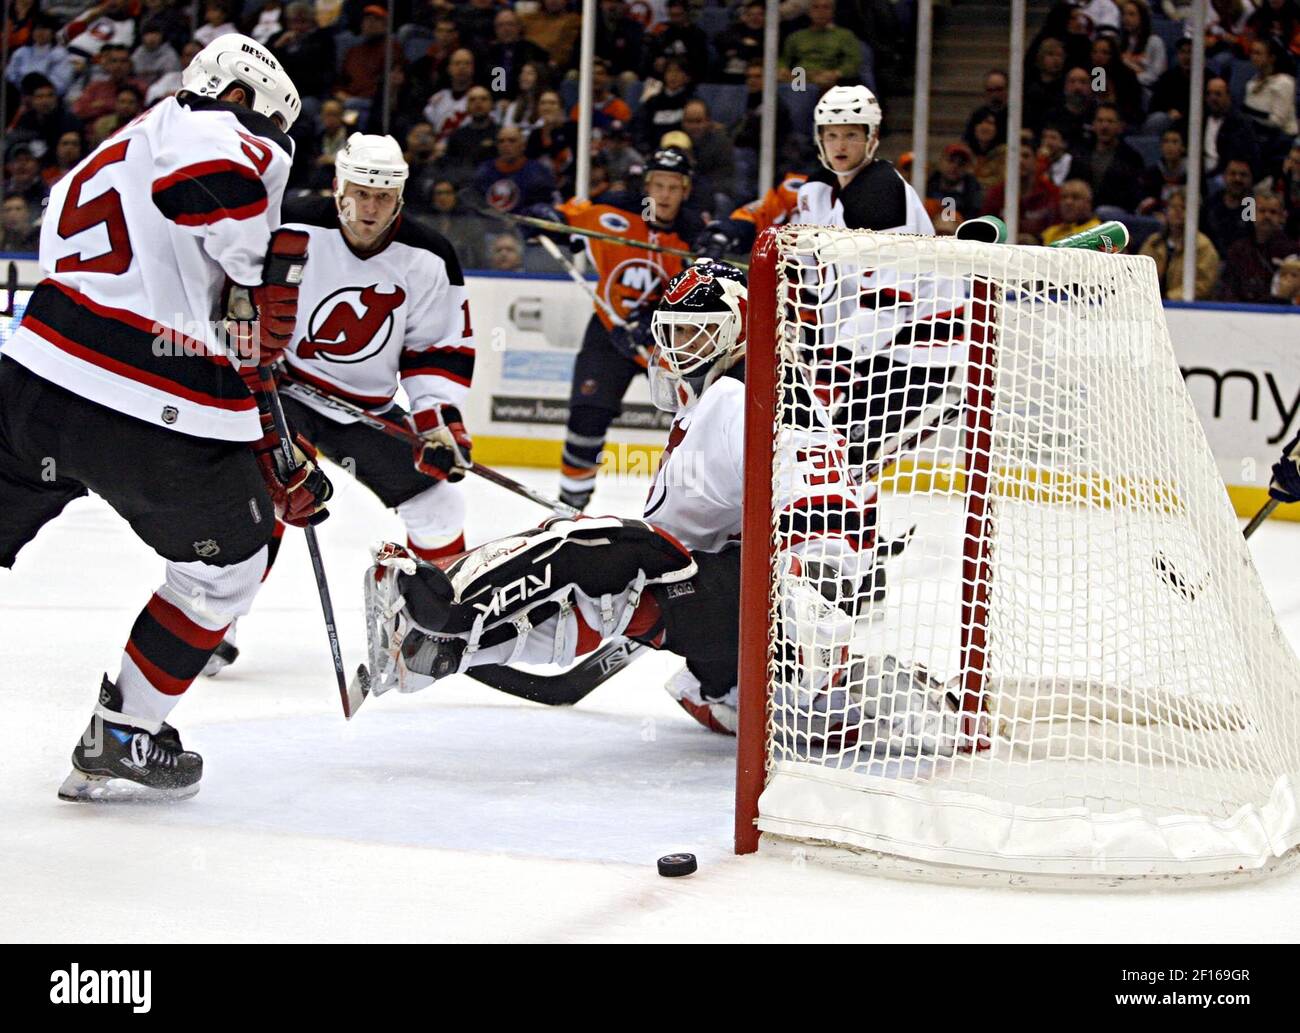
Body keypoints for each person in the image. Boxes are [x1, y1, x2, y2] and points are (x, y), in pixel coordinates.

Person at [359, 262, 970, 752]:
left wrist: (805, 606)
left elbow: (827, 517)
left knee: (597, 549)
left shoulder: (747, 395)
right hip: (751, 657)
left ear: (738, 328)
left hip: (783, 618)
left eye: (696, 331)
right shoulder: (724, 396)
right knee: (609, 582)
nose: (678, 347)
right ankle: (441, 648)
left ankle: (443, 611)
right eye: (673, 332)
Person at [0, 35, 329, 801]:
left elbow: (208, 307)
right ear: (244, 99)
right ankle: (128, 729)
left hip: (30, 380)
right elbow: (210, 187)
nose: (275, 152)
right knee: (232, 565)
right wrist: (260, 262)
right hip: (144, 398)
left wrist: (267, 435)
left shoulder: (116, 146)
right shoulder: (210, 126)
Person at [204, 135, 477, 675]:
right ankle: (214, 625)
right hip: (286, 388)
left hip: (364, 408)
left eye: (382, 195)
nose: (369, 208)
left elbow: (437, 350)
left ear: (399, 197)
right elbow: (232, 293)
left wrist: (437, 424)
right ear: (337, 187)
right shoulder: (292, 223)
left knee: (437, 504)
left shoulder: (429, 256)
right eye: (359, 193)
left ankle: (443, 625)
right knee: (265, 494)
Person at [520, 148, 703, 510]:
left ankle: (692, 510)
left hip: (670, 343)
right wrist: (541, 218)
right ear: (646, 186)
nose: (664, 195)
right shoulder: (612, 215)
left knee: (695, 425)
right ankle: (570, 508)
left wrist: (651, 322)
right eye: (658, 185)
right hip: (609, 333)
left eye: (673, 187)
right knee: (587, 416)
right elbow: (561, 222)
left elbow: (703, 298)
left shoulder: (696, 237)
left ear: (686, 191)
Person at [1139, 188, 1220, 299]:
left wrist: (1170, 298)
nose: (1178, 211)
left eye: (1183, 207)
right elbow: (1138, 275)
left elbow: (1202, 285)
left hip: (1185, 308)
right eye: (1173, 207)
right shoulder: (1153, 242)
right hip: (1150, 303)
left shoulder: (1203, 247)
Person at [1218, 189, 1297, 300]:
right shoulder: (1238, 250)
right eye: (1262, 211)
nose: (1267, 216)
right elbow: (1227, 290)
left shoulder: (1292, 250)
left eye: (1273, 212)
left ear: (1282, 217)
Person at [1041, 178, 1101, 245]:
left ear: (1088, 202)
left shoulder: (1098, 231)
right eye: (1064, 197)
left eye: (1075, 197)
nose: (1068, 202)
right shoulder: (1050, 232)